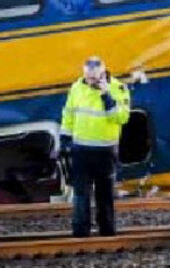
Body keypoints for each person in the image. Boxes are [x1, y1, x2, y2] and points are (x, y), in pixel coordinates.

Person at [60, 56, 130, 237]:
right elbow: (68, 114)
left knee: (104, 193)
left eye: (95, 78)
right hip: (81, 149)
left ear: (103, 75)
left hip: (105, 151)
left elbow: (122, 118)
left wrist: (106, 95)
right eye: (88, 77)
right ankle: (80, 231)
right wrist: (65, 139)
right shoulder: (77, 88)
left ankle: (107, 230)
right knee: (80, 193)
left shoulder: (118, 89)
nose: (91, 81)